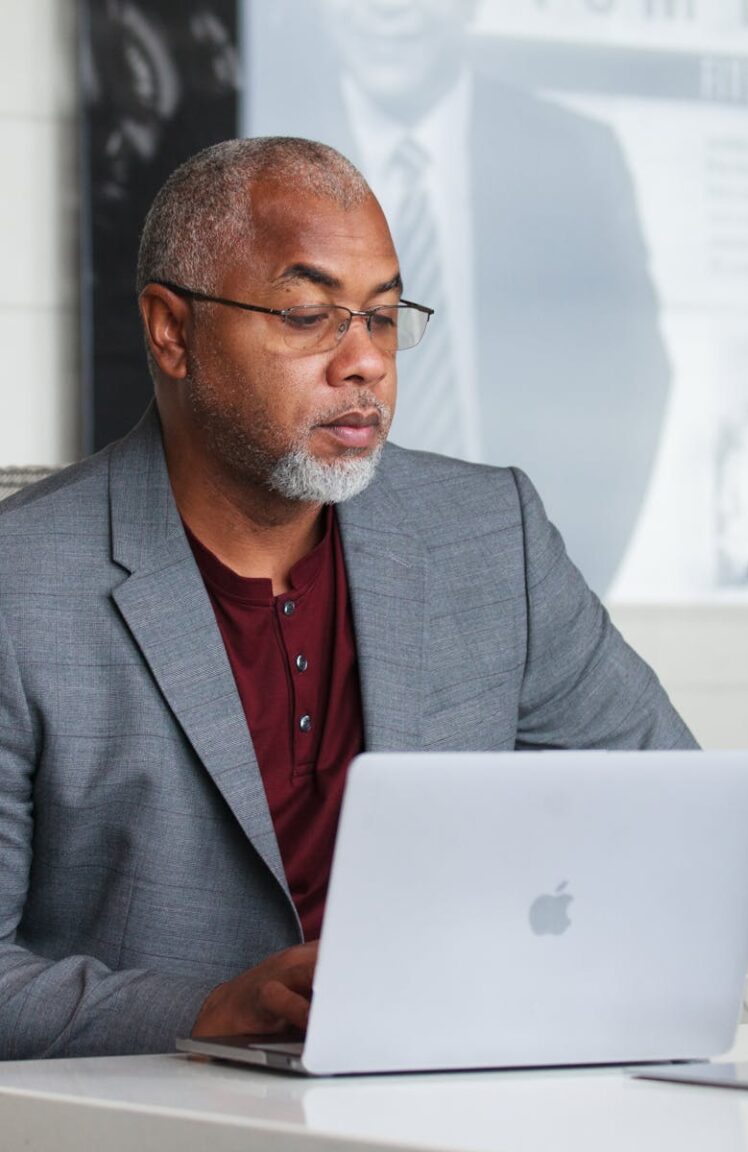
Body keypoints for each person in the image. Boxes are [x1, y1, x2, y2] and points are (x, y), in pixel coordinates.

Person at [0, 137, 695, 1060]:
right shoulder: (22, 584)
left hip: (454, 1086)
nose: (365, 361)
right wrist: (209, 1011)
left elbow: (674, 814)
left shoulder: (490, 534)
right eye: (306, 315)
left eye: (383, 316)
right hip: (157, 1107)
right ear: (172, 331)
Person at [243, 0, 671, 594]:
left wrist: (562, 583)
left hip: (510, 579)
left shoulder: (573, 155)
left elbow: (634, 382)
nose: (389, 11)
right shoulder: (247, 163)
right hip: (308, 586)